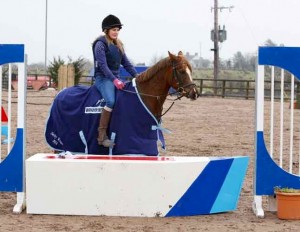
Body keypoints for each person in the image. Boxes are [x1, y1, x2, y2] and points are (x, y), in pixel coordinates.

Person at [92, 14, 138, 147]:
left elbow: (127, 63)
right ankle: (101, 137)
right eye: (114, 30)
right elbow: (103, 65)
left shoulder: (119, 44)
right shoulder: (100, 45)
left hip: (116, 78)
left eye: (118, 30)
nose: (116, 32)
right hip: (103, 78)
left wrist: (137, 76)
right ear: (106, 30)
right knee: (111, 101)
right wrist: (114, 80)